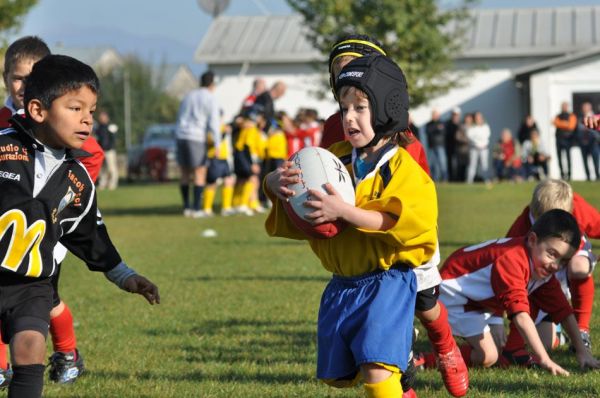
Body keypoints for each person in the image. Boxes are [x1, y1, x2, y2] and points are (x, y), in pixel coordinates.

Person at [265, 54, 444, 398]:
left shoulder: (402, 167)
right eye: (344, 109)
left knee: (377, 371)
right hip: (343, 284)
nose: (349, 118)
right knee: (355, 373)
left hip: (385, 283)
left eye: (360, 108)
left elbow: (399, 220)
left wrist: (345, 212)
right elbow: (301, 213)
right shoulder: (331, 156)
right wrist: (275, 186)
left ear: (387, 108)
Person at [0, 54, 160, 398]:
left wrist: (124, 275)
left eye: (91, 111)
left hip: (32, 285)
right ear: (39, 110)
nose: (87, 120)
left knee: (30, 349)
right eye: (75, 109)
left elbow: (90, 236)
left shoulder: (78, 180)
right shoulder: (3, 147)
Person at [323, 35, 467, 398]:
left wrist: (367, 216)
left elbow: (411, 206)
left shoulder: (400, 137)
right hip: (361, 246)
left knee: (426, 301)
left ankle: (445, 344)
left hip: (403, 241)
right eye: (338, 73)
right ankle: (403, 387)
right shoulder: (335, 130)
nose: (345, 78)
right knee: (382, 346)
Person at [0, 36, 107, 386]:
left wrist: (59, 203)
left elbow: (89, 162)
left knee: (45, 298)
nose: (23, 84)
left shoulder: (68, 127)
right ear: (5, 78)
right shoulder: (4, 124)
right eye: (17, 77)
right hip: (9, 227)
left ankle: (66, 351)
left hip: (49, 231)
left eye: (31, 77)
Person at [438, 209, 600, 375]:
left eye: (563, 261)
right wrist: (544, 359)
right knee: (487, 355)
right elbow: (520, 315)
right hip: (453, 294)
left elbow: (563, 311)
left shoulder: (540, 266)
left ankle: (510, 351)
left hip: (476, 301)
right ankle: (425, 359)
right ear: (532, 240)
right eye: (552, 254)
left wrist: (583, 352)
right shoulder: (512, 261)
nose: (556, 266)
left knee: (495, 347)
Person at [501, 180, 600, 365]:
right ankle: (559, 335)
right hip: (542, 285)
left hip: (568, 270)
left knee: (578, 266)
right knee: (543, 344)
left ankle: (582, 328)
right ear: (533, 211)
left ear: (569, 212)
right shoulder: (520, 229)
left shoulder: (576, 206)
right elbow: (506, 270)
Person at [320, 35, 430, 176]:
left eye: (355, 74)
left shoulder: (403, 138)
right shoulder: (334, 125)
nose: (347, 84)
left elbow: (415, 194)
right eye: (341, 76)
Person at [175, 70, 221, 218]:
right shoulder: (210, 98)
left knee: (184, 172)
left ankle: (186, 207)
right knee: (199, 172)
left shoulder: (189, 95)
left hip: (181, 135)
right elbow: (214, 122)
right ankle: (196, 209)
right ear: (212, 84)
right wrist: (217, 143)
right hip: (196, 136)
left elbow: (180, 115)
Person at [553, 102, 577, 180]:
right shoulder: (558, 116)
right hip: (558, 139)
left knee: (568, 157)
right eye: (563, 106)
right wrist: (565, 124)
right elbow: (554, 122)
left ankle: (569, 175)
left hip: (567, 140)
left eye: (565, 106)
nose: (564, 108)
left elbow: (571, 126)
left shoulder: (571, 115)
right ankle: (562, 174)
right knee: (559, 158)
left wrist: (561, 124)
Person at [95, 110, 119, 190]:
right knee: (102, 169)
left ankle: (112, 184)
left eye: (103, 117)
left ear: (106, 117)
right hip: (101, 150)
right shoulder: (98, 128)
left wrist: (110, 147)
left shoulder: (111, 127)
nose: (101, 118)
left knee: (111, 168)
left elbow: (113, 139)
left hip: (109, 151)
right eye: (100, 117)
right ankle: (102, 184)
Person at [465, 111, 491, 184]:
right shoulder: (472, 127)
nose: (478, 119)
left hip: (484, 149)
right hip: (474, 149)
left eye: (480, 117)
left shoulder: (486, 127)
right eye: (477, 118)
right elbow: (470, 136)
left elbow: (486, 136)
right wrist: (477, 140)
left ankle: (486, 180)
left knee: (484, 165)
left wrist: (478, 138)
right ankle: (469, 181)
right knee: (472, 165)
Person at [576, 102, 600, 181]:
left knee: (595, 160)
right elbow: (578, 129)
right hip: (583, 143)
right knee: (585, 161)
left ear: (590, 108)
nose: (585, 109)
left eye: (586, 107)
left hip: (593, 143)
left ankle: (597, 176)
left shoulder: (596, 117)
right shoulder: (580, 118)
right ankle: (588, 177)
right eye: (584, 107)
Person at [425, 109, 448, 182]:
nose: (434, 116)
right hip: (431, 146)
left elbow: (442, 131)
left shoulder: (442, 123)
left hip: (440, 146)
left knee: (442, 163)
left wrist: (436, 129)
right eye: (433, 115)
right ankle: (435, 179)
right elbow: (429, 131)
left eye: (436, 115)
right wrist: (437, 128)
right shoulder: (429, 124)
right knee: (432, 164)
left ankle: (445, 179)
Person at [444, 107, 461, 181]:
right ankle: (451, 178)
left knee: (458, 163)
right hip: (450, 146)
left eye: (456, 115)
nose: (455, 116)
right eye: (454, 114)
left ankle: (458, 178)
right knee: (450, 163)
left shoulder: (461, 124)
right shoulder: (448, 123)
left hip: (459, 147)